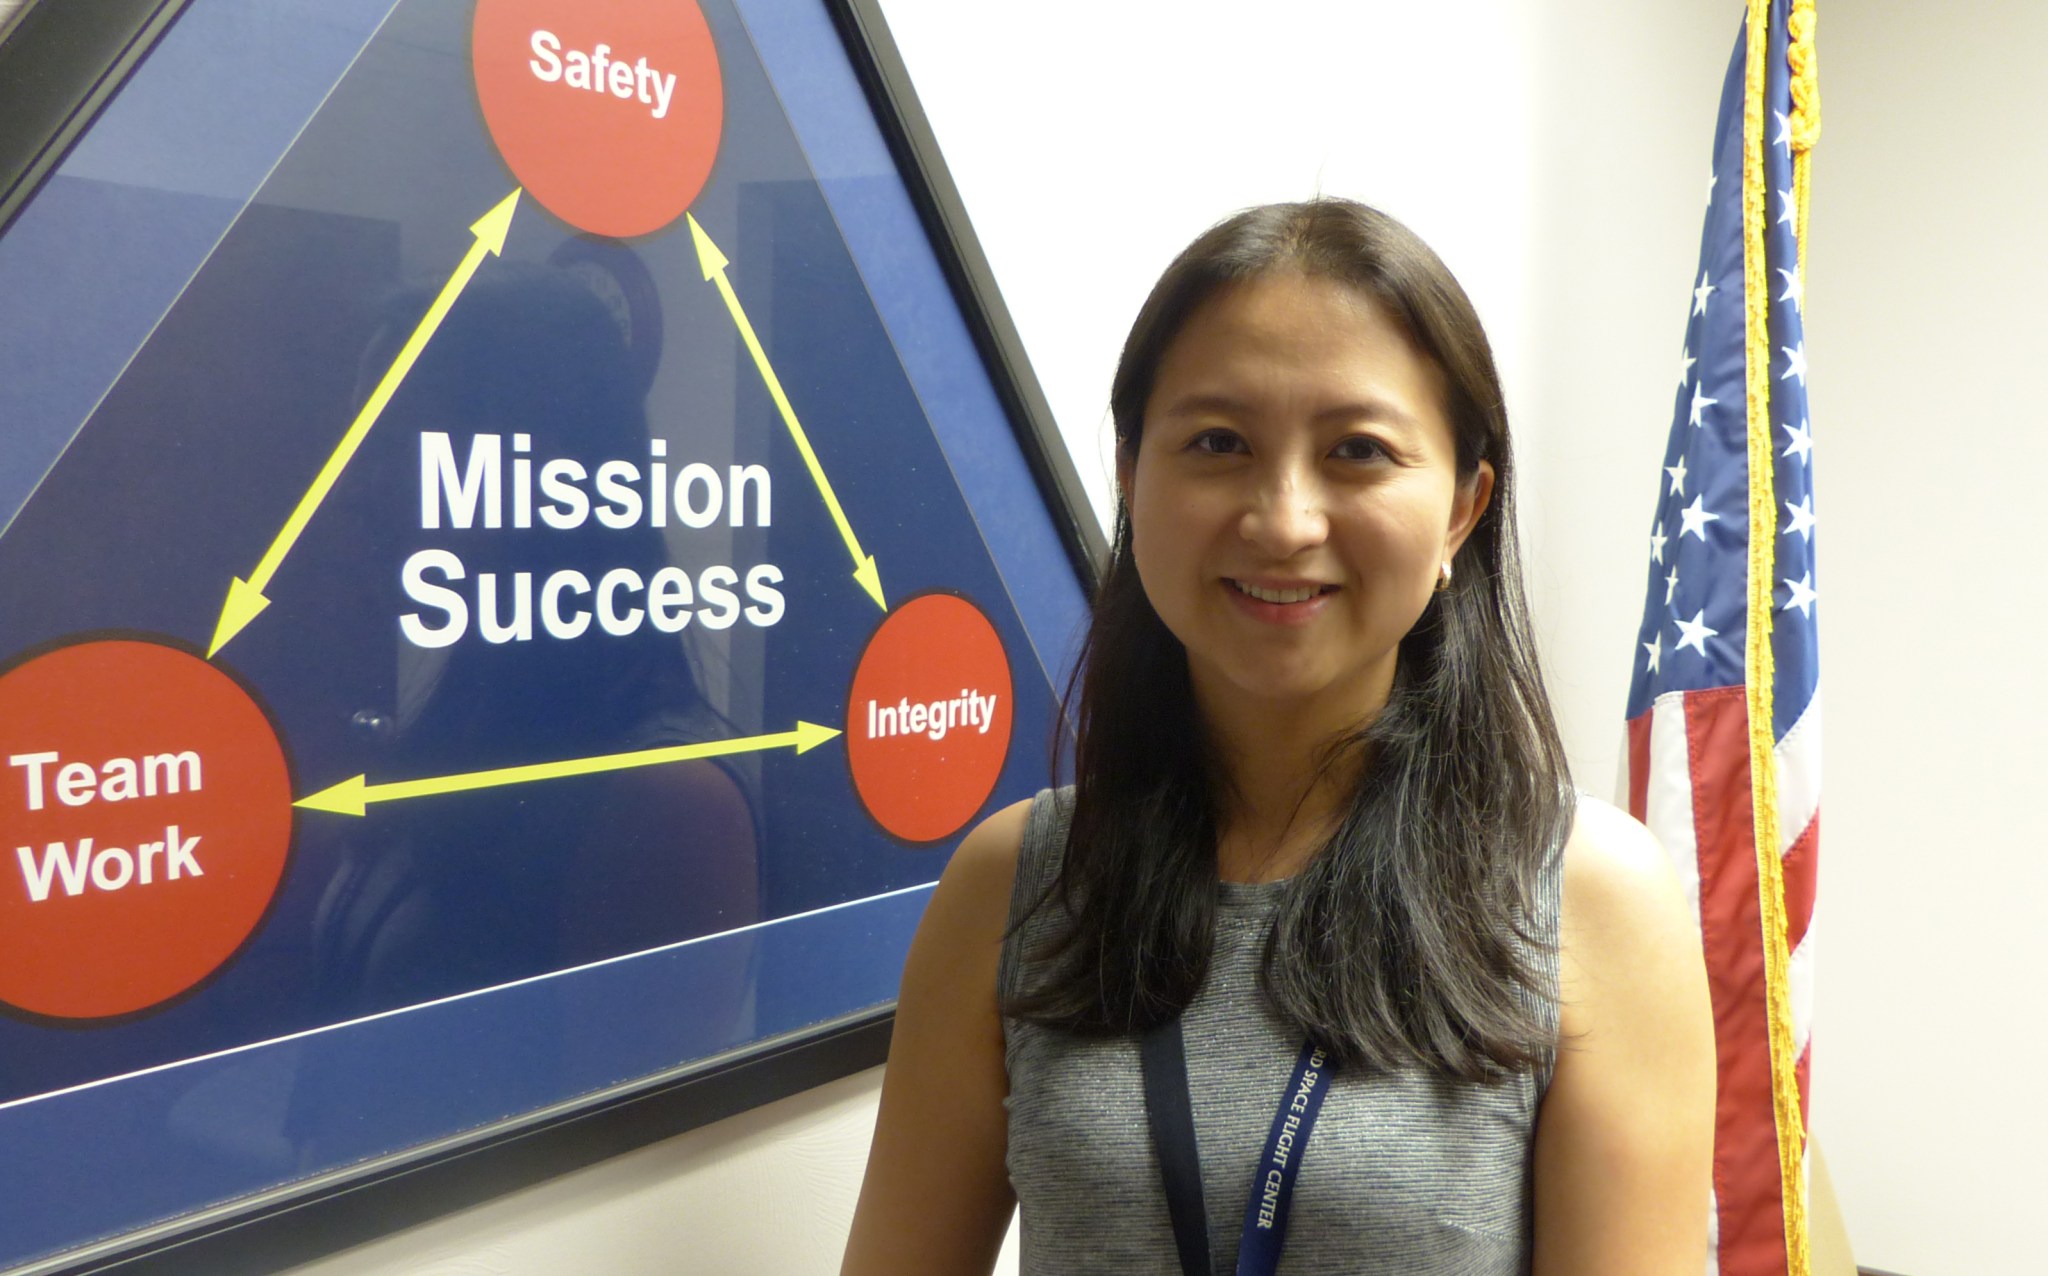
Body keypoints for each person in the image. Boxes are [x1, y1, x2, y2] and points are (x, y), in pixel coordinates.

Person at [841, 200, 1714, 1275]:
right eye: (1217, 442)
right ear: (1129, 474)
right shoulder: (1016, 882)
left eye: (1357, 450)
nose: (1283, 518)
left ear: (1459, 509)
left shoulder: (1587, 897)